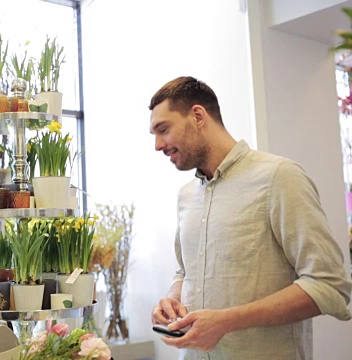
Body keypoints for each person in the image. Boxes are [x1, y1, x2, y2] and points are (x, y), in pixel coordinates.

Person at [148, 76, 352, 359]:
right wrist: (173, 298)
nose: (158, 145)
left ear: (197, 115)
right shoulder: (185, 196)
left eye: (163, 129)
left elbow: (329, 285)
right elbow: (185, 271)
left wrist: (226, 321)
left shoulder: (279, 177)